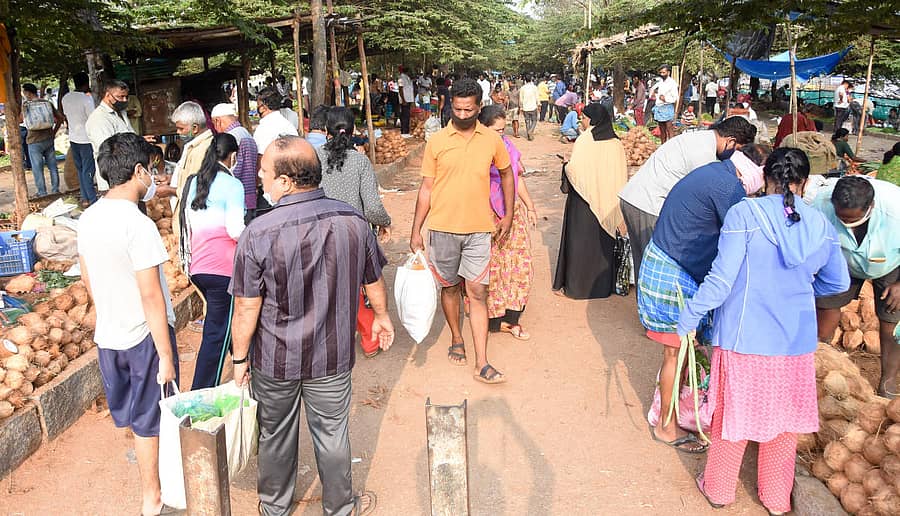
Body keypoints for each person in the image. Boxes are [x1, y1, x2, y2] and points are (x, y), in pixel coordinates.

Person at [681, 148, 850, 514]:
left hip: (744, 338)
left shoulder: (745, 213)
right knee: (784, 425)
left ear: (765, 175)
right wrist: (798, 290)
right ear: (803, 183)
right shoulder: (821, 225)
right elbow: (837, 282)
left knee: (733, 418)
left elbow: (721, 280)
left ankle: (719, 490)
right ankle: (775, 499)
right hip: (794, 342)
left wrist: (689, 316)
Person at [230, 136, 391, 516]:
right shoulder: (353, 220)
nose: (261, 181)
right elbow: (373, 280)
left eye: (265, 174)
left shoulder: (258, 232)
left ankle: (275, 508)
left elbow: (246, 307)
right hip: (332, 353)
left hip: (275, 358)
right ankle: (339, 507)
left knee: (275, 435)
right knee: (333, 434)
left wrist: (239, 360)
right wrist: (382, 316)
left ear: (285, 182)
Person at [638, 145, 768, 453]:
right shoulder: (730, 188)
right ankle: (666, 427)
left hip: (668, 259)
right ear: (752, 171)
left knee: (681, 352)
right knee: (675, 352)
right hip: (673, 272)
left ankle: (670, 410)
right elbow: (738, 238)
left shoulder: (715, 172)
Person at [77, 132, 180, 516]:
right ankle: (153, 498)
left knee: (136, 416)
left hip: (110, 335)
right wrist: (166, 355)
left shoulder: (88, 218)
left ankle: (154, 485)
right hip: (144, 338)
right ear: (139, 170)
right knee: (151, 419)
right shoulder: (138, 225)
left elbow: (87, 280)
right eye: (152, 169)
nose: (153, 177)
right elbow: (151, 295)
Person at [409, 78, 514, 384]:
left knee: (478, 292)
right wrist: (416, 229)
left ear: (479, 108)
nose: (464, 114)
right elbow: (426, 188)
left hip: (480, 230)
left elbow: (507, 173)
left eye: (469, 109)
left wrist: (506, 214)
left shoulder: (491, 140)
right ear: (450, 106)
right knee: (450, 287)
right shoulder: (437, 142)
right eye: (458, 109)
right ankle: (457, 336)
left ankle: (482, 362)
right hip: (442, 229)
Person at [618, 116, 757, 277]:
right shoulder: (704, 155)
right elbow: (708, 195)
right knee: (655, 268)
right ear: (731, 141)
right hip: (649, 204)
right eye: (739, 150)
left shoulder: (701, 139)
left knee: (645, 264)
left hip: (636, 198)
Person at [814, 176, 900, 398]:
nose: (845, 222)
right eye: (840, 217)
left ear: (870, 207)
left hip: (889, 264)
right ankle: (818, 365)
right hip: (840, 260)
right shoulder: (821, 203)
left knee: (892, 319)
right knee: (825, 308)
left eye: (851, 219)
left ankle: (887, 385)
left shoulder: (895, 210)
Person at [317, 106, 392, 358]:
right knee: (361, 286)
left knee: (327, 290)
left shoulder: (313, 157)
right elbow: (371, 206)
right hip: (353, 235)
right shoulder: (360, 161)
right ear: (352, 131)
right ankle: (370, 340)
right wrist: (385, 222)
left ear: (325, 130)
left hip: (317, 234)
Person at [175, 133, 245, 389]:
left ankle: (247, 368)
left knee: (225, 324)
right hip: (223, 270)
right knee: (217, 334)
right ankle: (201, 392)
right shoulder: (232, 185)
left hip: (197, 268)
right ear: (233, 156)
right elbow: (236, 230)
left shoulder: (194, 181)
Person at [553, 103, 628, 299]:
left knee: (579, 244)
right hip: (609, 204)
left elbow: (575, 170)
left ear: (593, 120)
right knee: (602, 245)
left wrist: (566, 164)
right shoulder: (616, 144)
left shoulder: (585, 140)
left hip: (583, 201)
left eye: (585, 118)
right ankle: (603, 287)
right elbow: (621, 176)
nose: (583, 122)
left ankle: (577, 288)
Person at [478, 105, 537, 339]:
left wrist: (530, 206)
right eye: (497, 130)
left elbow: (516, 178)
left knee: (520, 263)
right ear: (482, 129)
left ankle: (512, 317)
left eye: (503, 130)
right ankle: (493, 319)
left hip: (513, 213)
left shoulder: (508, 147)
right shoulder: (477, 154)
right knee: (493, 266)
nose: (501, 135)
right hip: (488, 215)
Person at [158, 102, 214, 244]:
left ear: (195, 128)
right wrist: (173, 179)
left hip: (194, 222)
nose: (178, 132)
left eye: (181, 128)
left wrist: (170, 190)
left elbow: (198, 187)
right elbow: (189, 175)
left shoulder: (203, 149)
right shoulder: (194, 146)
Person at [86, 80, 144, 193]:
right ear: (108, 95)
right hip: (113, 182)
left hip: (129, 177)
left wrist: (141, 141)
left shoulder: (121, 112)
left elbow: (129, 136)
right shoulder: (98, 119)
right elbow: (108, 149)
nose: (125, 100)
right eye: (120, 97)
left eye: (126, 96)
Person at [210, 103, 259, 219]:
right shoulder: (246, 133)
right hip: (250, 197)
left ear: (218, 121)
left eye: (213, 123)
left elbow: (231, 171)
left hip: (237, 200)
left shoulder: (230, 138)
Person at [61, 72, 98, 204]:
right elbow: (92, 118)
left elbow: (66, 115)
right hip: (86, 138)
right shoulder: (86, 99)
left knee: (81, 169)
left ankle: (84, 197)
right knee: (88, 171)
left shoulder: (66, 98)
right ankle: (92, 199)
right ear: (86, 83)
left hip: (73, 138)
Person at [21, 83, 63, 197]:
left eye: (24, 92)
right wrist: (54, 132)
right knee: (53, 166)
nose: (24, 95)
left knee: (37, 168)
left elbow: (20, 120)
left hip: (34, 141)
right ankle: (55, 190)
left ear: (28, 93)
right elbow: (60, 118)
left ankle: (42, 192)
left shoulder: (26, 105)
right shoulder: (47, 103)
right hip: (49, 138)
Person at [253, 87, 299, 156]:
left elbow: (260, 158)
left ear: (263, 107)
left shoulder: (263, 129)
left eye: (258, 105)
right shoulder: (288, 125)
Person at [651, 65, 679, 143]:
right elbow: (654, 91)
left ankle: (672, 146)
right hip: (659, 107)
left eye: (664, 72)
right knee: (662, 130)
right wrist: (654, 94)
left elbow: (675, 98)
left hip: (667, 107)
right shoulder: (660, 82)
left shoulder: (672, 83)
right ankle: (663, 146)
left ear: (668, 72)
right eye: (661, 72)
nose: (662, 74)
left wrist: (665, 99)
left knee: (669, 128)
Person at [519, 75, 539, 141]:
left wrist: (521, 107)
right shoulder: (534, 87)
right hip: (533, 107)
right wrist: (538, 104)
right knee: (534, 120)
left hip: (525, 107)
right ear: (531, 79)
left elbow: (521, 99)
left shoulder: (522, 88)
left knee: (527, 121)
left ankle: (529, 135)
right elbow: (537, 97)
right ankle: (530, 131)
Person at [398, 66, 415, 135]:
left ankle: (406, 130)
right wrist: (403, 100)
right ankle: (404, 131)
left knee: (407, 116)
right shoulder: (400, 78)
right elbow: (400, 89)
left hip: (409, 99)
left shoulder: (407, 78)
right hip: (405, 100)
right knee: (404, 116)